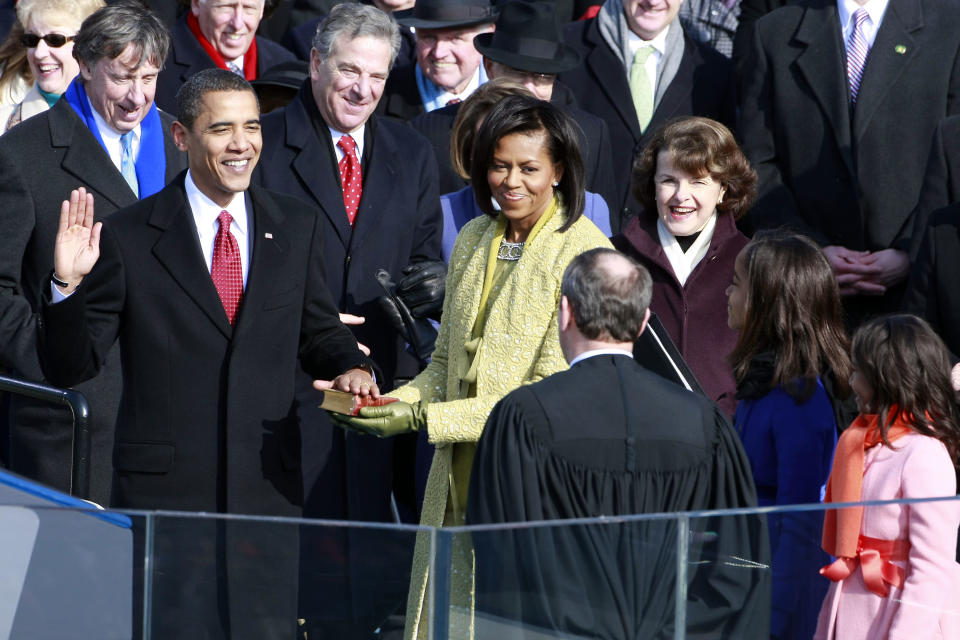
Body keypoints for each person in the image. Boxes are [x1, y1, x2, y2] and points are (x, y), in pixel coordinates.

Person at [39, 68, 377, 638]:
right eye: (221, 129)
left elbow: (319, 331)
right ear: (181, 137)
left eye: (252, 127)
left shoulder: (295, 226)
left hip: (265, 495)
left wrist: (352, 367)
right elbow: (73, 364)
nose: (241, 143)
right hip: (168, 500)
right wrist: (65, 287)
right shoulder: (129, 234)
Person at [333, 94, 612, 639]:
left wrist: (422, 421)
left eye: (529, 169)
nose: (510, 182)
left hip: (530, 490)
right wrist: (393, 402)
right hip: (453, 479)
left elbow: (547, 397)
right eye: (498, 165)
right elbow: (443, 364)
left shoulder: (583, 253)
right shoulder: (473, 238)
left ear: (559, 171)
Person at [467, 247, 769, 639]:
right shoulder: (704, 423)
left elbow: (504, 564)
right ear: (644, 322)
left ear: (565, 313)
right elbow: (736, 568)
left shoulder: (523, 418)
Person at [256, 2, 444, 523]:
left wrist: (435, 282)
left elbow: (425, 251)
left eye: (377, 75)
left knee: (369, 550)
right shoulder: (262, 145)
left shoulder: (411, 150)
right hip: (292, 381)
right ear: (316, 63)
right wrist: (303, 315)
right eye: (350, 70)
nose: (363, 88)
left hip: (380, 382)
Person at [0, 0, 185, 505]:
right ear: (84, 65)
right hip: (73, 424)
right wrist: (47, 369)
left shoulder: (178, 144)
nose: (137, 97)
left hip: (169, 421)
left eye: (149, 78)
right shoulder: (24, 155)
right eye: (124, 77)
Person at [738, 0, 960, 324]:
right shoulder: (774, 33)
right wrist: (809, 250)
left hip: (916, 307)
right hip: (808, 304)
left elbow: (955, 155)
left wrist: (910, 250)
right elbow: (757, 162)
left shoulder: (951, 25)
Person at [726, 231, 852, 640]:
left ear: (766, 302)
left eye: (738, 283)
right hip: (747, 579)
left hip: (780, 597)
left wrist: (774, 617)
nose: (728, 292)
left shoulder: (800, 397)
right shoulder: (763, 385)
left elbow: (803, 524)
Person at [410, 0, 621, 227]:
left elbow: (606, 239)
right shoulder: (428, 133)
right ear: (490, 67)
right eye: (518, 73)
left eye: (542, 77)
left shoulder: (589, 134)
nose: (528, 89)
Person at [814, 315, 960, 639]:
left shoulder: (924, 454)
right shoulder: (861, 444)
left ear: (887, 379)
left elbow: (932, 568)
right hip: (854, 609)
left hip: (897, 616)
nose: (851, 383)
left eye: (859, 372)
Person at [612, 116, 756, 416]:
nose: (681, 195)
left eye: (698, 182)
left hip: (726, 441)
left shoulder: (754, 261)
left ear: (723, 190)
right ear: (652, 185)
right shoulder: (614, 257)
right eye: (669, 180)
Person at [558, 0, 735, 224]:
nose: (653, 2)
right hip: (575, 232)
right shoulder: (565, 47)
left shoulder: (714, 70)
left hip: (661, 245)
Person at [438, 79, 612, 261]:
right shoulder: (446, 213)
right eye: (487, 139)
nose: (512, 180)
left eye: (528, 168)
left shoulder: (590, 210)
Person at [154, 0, 295, 115]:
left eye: (248, 8)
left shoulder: (284, 63)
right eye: (226, 7)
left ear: (262, 9)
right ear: (196, 4)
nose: (237, 24)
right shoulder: (156, 66)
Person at [378, 0, 497, 121]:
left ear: (487, 36)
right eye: (428, 37)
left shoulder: (510, 97)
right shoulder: (379, 100)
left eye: (455, 38)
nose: (439, 53)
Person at [0, 0, 104, 132]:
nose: (39, 53)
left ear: (88, 44)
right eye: (32, 40)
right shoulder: (3, 125)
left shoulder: (121, 118)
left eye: (55, 40)